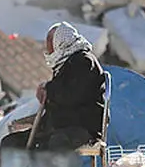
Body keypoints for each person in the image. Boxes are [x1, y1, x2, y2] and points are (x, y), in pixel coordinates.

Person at [31, 22, 106, 152]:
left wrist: (48, 89)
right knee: (11, 143)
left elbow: (71, 95)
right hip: (63, 125)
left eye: (51, 43)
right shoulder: (64, 63)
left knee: (55, 144)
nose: (49, 49)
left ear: (61, 43)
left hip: (83, 126)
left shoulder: (84, 61)